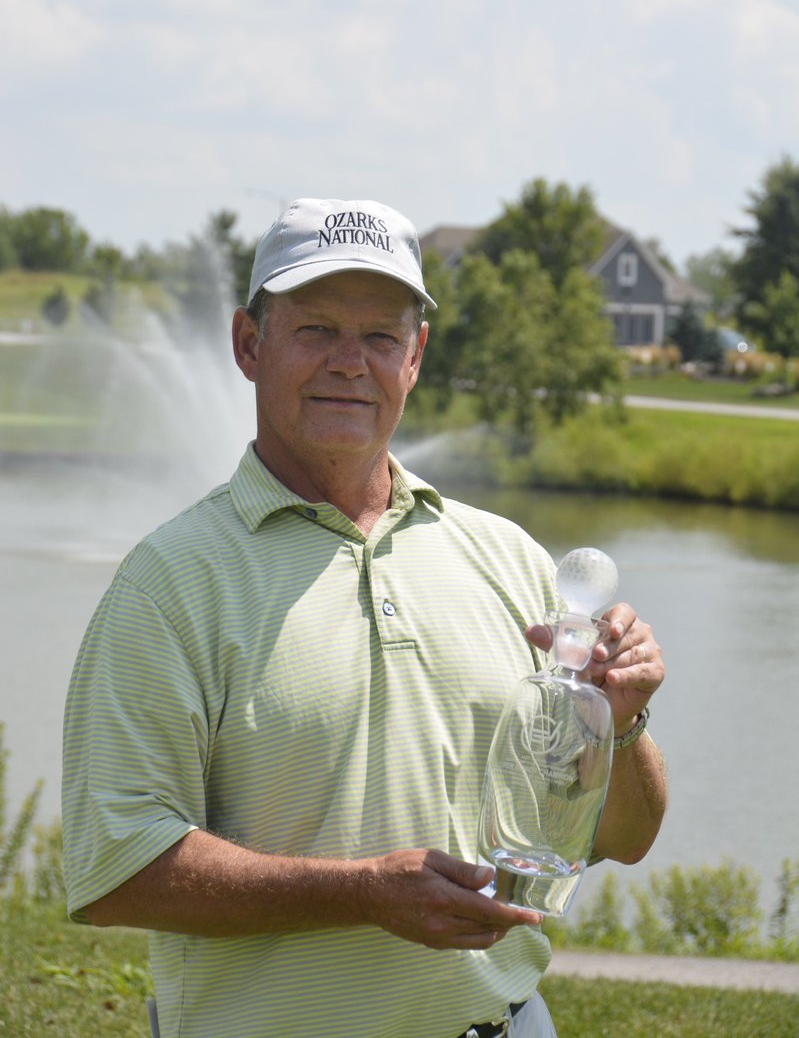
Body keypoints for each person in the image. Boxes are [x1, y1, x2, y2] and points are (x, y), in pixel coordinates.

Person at [62, 198, 667, 1038]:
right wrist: (359, 893)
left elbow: (620, 838)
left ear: (414, 358)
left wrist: (620, 725)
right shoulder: (168, 584)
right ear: (249, 344)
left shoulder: (509, 558)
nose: (352, 363)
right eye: (315, 329)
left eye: (381, 337)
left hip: (507, 1022)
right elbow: (117, 866)